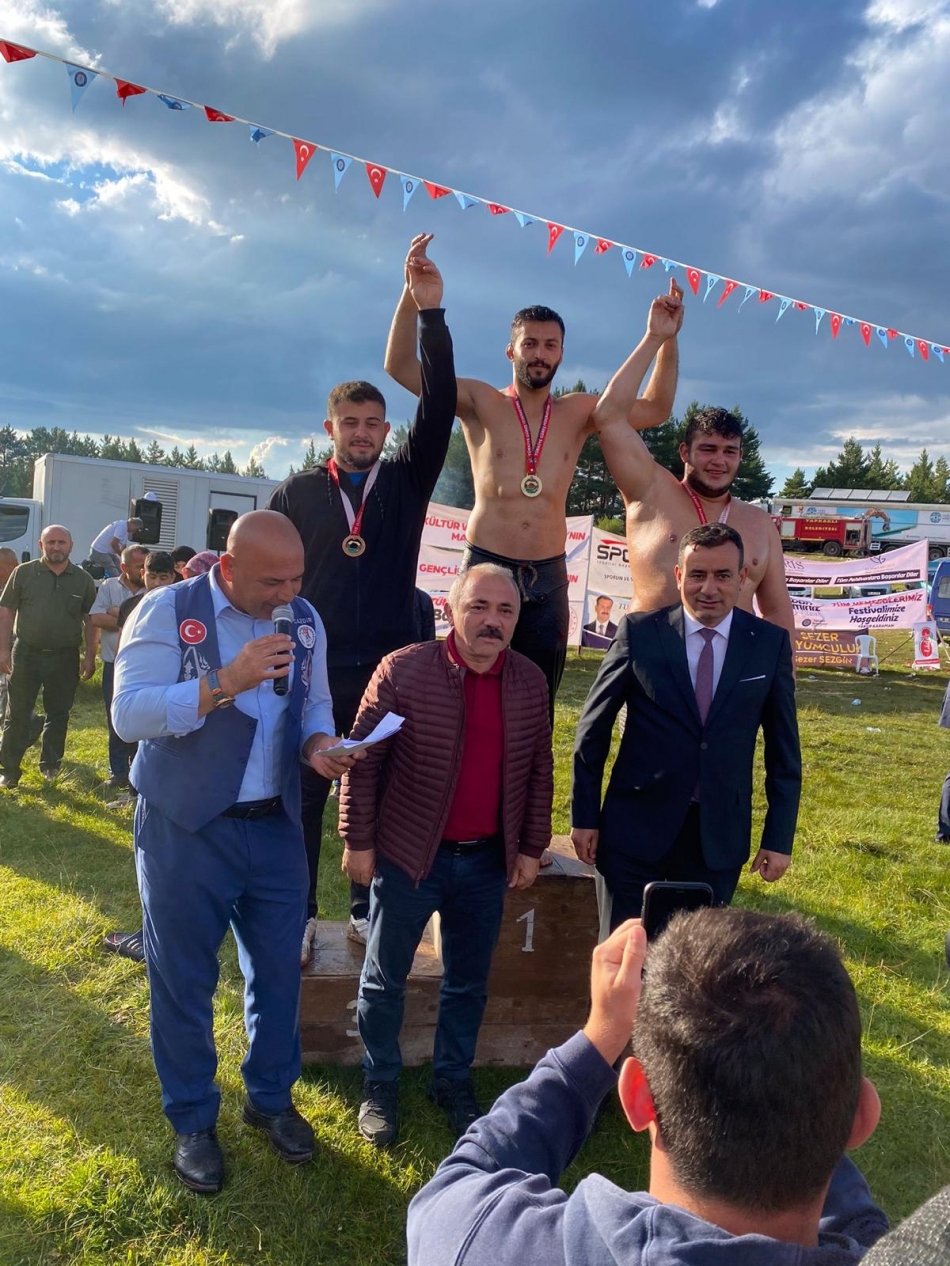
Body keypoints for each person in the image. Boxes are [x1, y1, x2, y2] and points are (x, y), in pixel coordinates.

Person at [407, 908, 888, 1265]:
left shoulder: (486, 1244)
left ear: (637, 1097)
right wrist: (808, 1099)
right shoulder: (884, 1249)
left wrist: (599, 1039)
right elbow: (859, 1227)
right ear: (863, 1117)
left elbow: (457, 1186)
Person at [112, 510, 362, 1193]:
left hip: (274, 822)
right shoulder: (168, 610)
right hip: (186, 824)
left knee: (280, 971)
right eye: (272, 582)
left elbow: (313, 704)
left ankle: (270, 1098)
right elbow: (128, 714)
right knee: (183, 977)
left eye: (297, 579)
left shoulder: (304, 619)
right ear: (227, 567)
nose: (288, 594)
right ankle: (193, 1119)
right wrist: (224, 681)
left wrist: (320, 745)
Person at [384, 235, 683, 723]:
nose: (539, 354)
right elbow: (400, 368)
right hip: (486, 564)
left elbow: (656, 408)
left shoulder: (580, 411)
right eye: (530, 344)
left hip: (546, 577)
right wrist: (412, 297)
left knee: (536, 703)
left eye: (549, 345)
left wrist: (664, 339)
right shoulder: (480, 401)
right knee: (465, 696)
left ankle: (527, 775)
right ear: (511, 350)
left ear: (561, 353)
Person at [269, 234, 457, 959]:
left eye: (374, 423)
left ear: (386, 430)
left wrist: (429, 314)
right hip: (310, 668)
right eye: (350, 423)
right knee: (302, 797)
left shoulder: (405, 483)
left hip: (387, 668)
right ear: (331, 428)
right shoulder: (296, 493)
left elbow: (439, 407)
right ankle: (296, 915)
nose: (363, 433)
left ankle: (364, 912)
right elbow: (265, 577)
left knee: (375, 793)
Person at [340, 564, 552, 1147]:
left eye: (505, 611)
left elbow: (539, 769)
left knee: (468, 983)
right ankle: (380, 1081)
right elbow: (362, 760)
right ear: (450, 609)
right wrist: (358, 840)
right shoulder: (403, 671)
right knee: (384, 980)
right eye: (479, 606)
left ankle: (452, 1080)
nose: (492, 621)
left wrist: (531, 846)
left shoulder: (529, 681)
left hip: (485, 863)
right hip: (409, 856)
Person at [572, 523, 801, 927]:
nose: (709, 588)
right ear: (679, 576)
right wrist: (585, 816)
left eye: (722, 575)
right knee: (624, 956)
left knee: (698, 962)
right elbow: (593, 730)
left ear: (741, 578)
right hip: (634, 831)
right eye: (697, 575)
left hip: (717, 839)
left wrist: (778, 838)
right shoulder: (640, 634)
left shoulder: (769, 645)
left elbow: (784, 751)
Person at [590, 388, 796, 637]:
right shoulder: (650, 494)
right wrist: (663, 358)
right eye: (708, 449)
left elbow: (776, 611)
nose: (719, 460)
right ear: (684, 452)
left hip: (731, 656)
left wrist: (785, 662)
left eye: (729, 451)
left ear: (741, 456)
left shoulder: (760, 524)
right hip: (651, 653)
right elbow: (609, 417)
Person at [0, 525, 97, 788]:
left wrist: (90, 656)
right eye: (50, 542)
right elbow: (6, 611)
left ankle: (51, 766)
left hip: (65, 656)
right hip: (26, 653)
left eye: (61, 542)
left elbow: (91, 620)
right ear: (41, 546)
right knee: (16, 714)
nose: (56, 547)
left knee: (59, 713)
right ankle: (9, 771)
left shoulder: (83, 580)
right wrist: (3, 650)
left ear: (71, 546)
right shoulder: (23, 572)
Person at [89, 544, 148, 791]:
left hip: (144, 667)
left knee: (142, 719)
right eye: (139, 566)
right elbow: (96, 618)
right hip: (114, 665)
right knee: (115, 717)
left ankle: (138, 771)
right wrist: (133, 619)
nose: (144, 571)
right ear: (123, 567)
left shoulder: (153, 588)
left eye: (146, 566)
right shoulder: (109, 586)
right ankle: (118, 772)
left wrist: (117, 613)